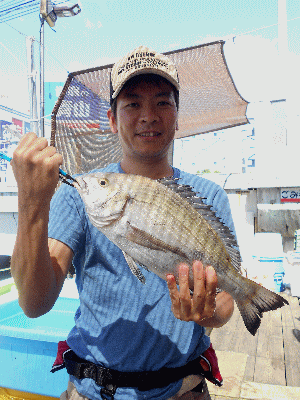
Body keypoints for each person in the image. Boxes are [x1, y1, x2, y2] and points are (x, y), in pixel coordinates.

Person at [11, 46, 235, 400]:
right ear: (113, 119)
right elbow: (35, 303)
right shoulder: (77, 196)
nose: (148, 115)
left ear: (177, 117)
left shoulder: (208, 196)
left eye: (163, 103)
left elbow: (226, 300)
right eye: (132, 104)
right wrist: (31, 203)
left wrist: (207, 312)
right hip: (93, 392)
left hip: (183, 391)